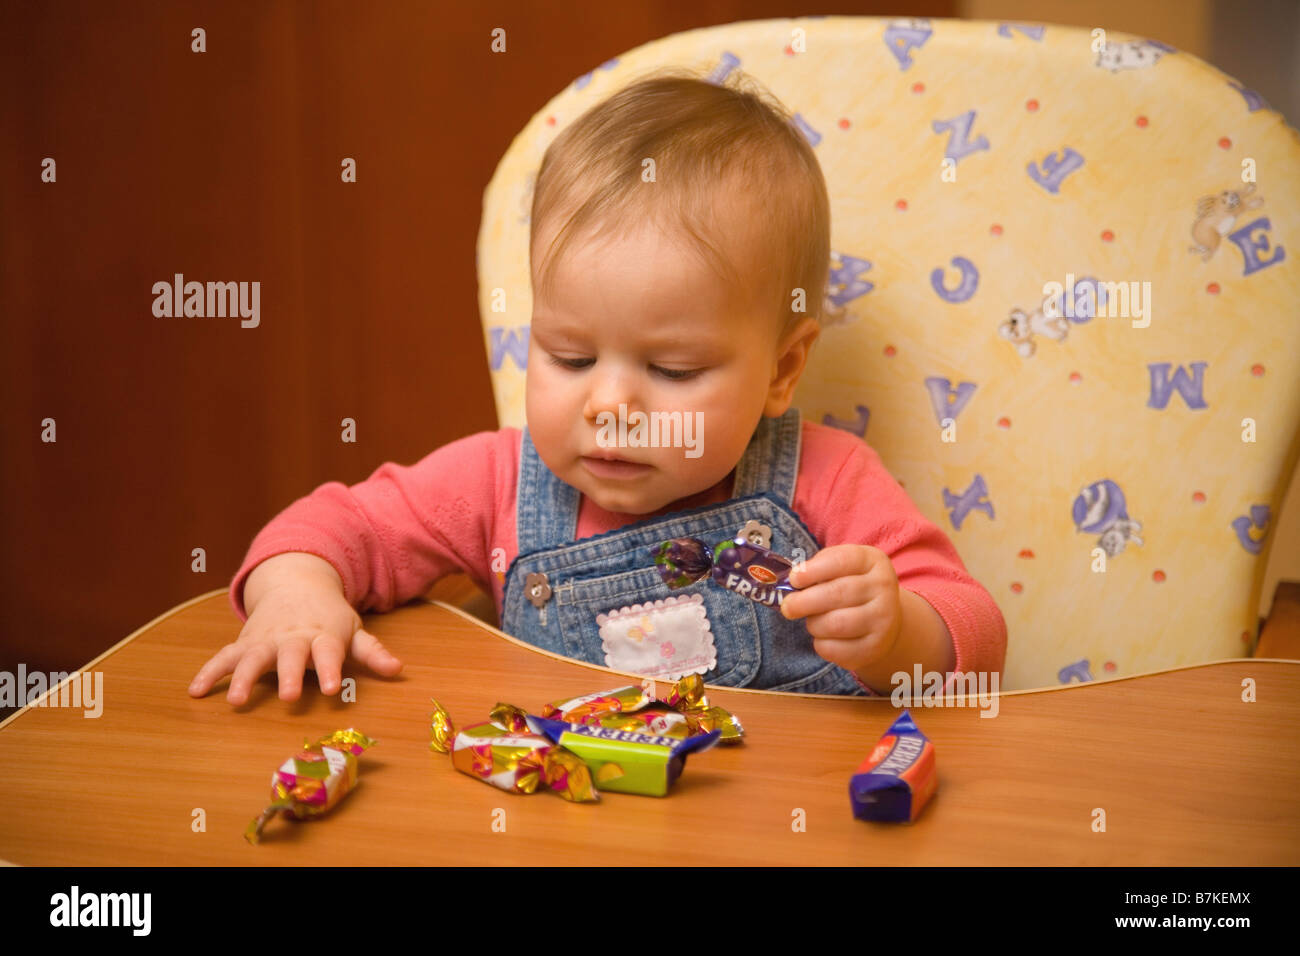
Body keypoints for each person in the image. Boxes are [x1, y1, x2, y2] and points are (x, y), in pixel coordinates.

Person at [189, 69, 1006, 707]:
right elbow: (339, 525)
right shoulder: (498, 485)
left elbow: (976, 631)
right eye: (570, 357)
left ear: (783, 370)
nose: (608, 405)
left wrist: (900, 634)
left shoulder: (828, 481)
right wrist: (296, 595)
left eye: (672, 370)